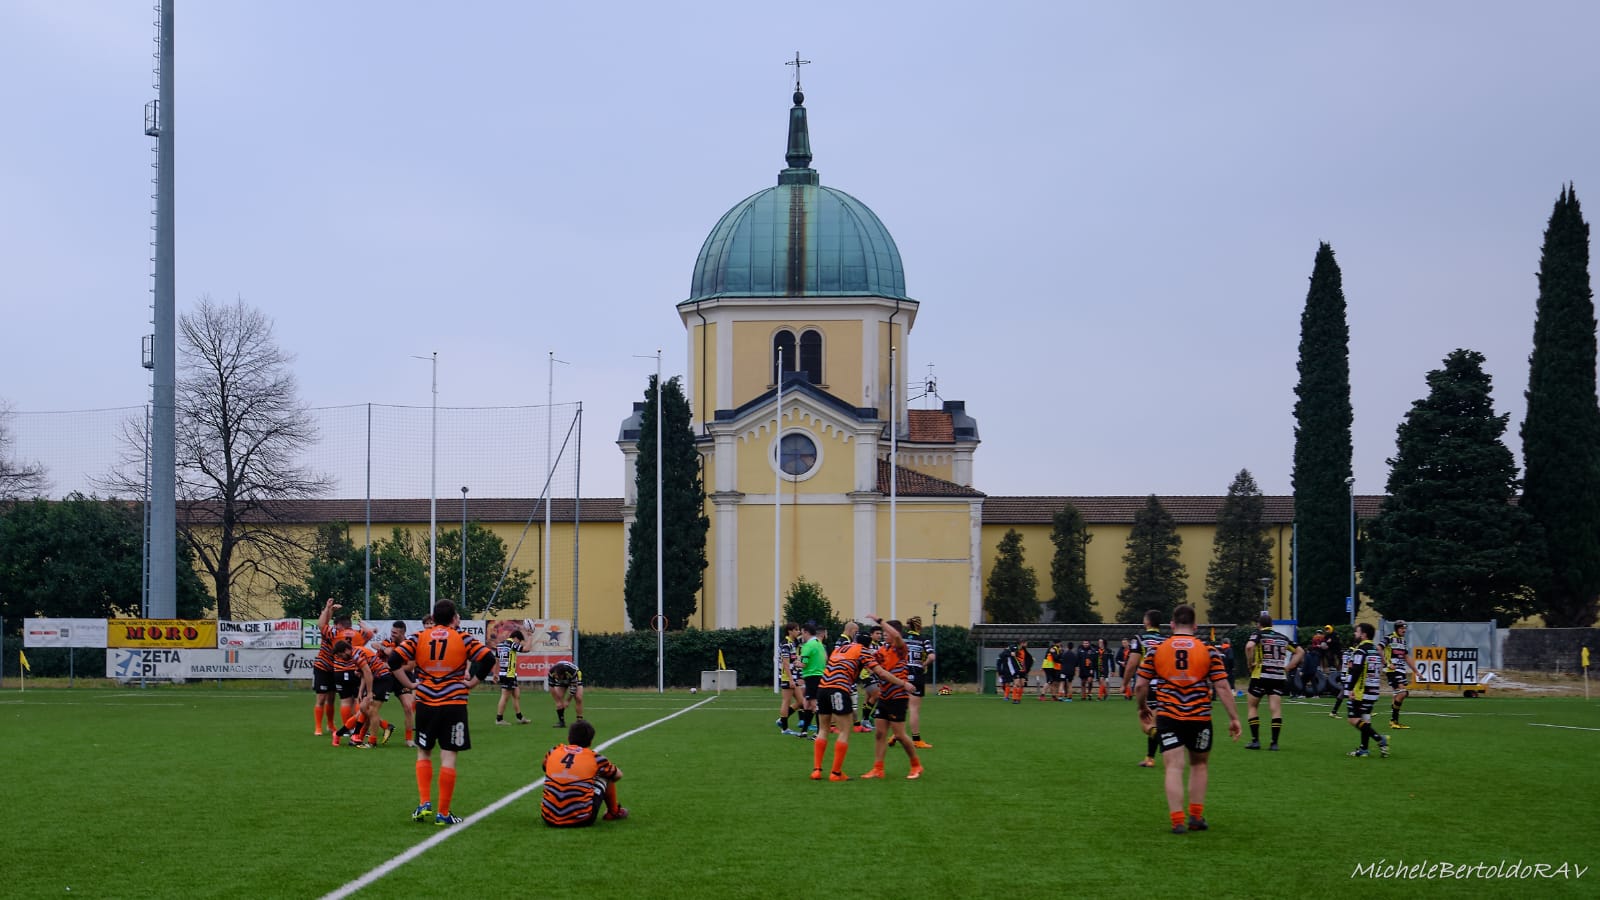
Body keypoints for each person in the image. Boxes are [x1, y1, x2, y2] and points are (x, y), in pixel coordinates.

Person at [1134, 604, 1242, 834]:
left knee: (1173, 767)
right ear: (1195, 625)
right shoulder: (1208, 650)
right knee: (1199, 765)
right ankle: (1195, 817)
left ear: (1172, 625)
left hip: (1168, 715)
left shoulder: (1157, 650)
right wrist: (1234, 718)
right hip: (1199, 716)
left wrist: (1142, 707)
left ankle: (1177, 821)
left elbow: (1141, 684)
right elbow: (1222, 686)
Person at [391, 599, 495, 826]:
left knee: (424, 752)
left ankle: (424, 803)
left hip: (426, 702)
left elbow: (393, 660)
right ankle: (443, 813)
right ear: (454, 618)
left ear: (434, 617)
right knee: (448, 755)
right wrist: (473, 682)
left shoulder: (419, 637)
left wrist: (410, 684)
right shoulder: (463, 637)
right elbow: (488, 658)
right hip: (453, 703)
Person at [859, 619, 925, 780]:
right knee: (880, 733)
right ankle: (878, 768)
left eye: (886, 632)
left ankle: (916, 765)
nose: (884, 635)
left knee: (900, 735)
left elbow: (896, 636)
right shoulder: (883, 649)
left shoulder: (901, 649)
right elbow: (870, 662)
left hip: (898, 696)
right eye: (883, 633)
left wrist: (880, 621)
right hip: (884, 695)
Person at [541, 720, 628, 826]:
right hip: (581, 819)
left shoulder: (553, 751)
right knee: (607, 774)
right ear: (590, 742)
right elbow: (618, 775)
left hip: (548, 817)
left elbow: (545, 767)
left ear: (568, 738)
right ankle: (613, 812)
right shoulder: (595, 758)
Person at [1243, 613, 1304, 751]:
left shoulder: (1258, 634)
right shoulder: (1282, 637)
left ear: (1259, 624)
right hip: (1277, 676)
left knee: (1253, 707)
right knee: (1275, 710)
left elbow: (1249, 647)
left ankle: (1255, 741)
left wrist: (1249, 663)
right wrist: (1289, 667)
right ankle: (1274, 743)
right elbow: (1300, 651)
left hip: (1260, 675)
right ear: (1272, 625)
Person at [1124, 610, 1166, 767]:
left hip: (1147, 685)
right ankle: (1150, 758)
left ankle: (1169, 742)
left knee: (1146, 725)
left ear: (1147, 621)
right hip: (1164, 686)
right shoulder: (1166, 640)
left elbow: (1132, 664)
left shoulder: (1139, 639)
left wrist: (1124, 683)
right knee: (1155, 723)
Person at [1343, 623, 1391, 758]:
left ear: (1363, 635)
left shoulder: (1361, 650)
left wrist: (1350, 688)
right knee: (1365, 719)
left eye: (1357, 632)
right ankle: (1364, 749)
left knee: (1353, 719)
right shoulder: (1375, 650)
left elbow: (1357, 669)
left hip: (1361, 691)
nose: (1355, 634)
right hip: (1373, 690)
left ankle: (1380, 738)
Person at [312, 599, 357, 737]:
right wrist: (328, 609)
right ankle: (318, 727)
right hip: (323, 667)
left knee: (331, 699)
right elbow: (322, 624)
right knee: (321, 698)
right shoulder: (331, 633)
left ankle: (331, 724)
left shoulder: (343, 635)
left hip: (336, 669)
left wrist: (330, 610)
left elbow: (324, 624)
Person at [376, 621, 418, 746]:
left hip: (403, 677)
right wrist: (384, 649)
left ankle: (409, 740)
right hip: (387, 677)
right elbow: (375, 645)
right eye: (391, 632)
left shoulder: (409, 645)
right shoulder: (388, 642)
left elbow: (410, 667)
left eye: (395, 633)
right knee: (370, 707)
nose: (392, 634)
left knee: (408, 707)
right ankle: (382, 727)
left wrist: (391, 666)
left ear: (402, 633)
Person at [902, 616, 935, 747]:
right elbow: (932, 656)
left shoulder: (901, 638)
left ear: (908, 626)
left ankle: (898, 734)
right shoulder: (923, 640)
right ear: (919, 626)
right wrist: (924, 664)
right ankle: (916, 740)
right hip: (916, 674)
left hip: (901, 674)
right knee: (914, 709)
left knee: (902, 706)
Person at [794, 622, 827, 737]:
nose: (801, 635)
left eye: (802, 632)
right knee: (807, 704)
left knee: (814, 704)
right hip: (819, 675)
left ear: (806, 632)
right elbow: (824, 658)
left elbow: (804, 664)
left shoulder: (808, 646)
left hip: (812, 676)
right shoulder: (819, 643)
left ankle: (819, 733)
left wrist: (796, 663)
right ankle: (804, 731)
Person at [495, 629, 531, 725]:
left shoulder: (500, 645)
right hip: (508, 674)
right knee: (505, 697)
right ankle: (499, 719)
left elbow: (497, 660)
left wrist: (495, 673)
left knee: (516, 695)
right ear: (515, 638)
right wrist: (530, 637)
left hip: (505, 673)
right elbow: (526, 649)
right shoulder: (511, 644)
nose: (518, 643)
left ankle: (520, 717)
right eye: (519, 641)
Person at [1381, 620, 1413, 729]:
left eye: (1405, 628)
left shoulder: (1403, 641)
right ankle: (1393, 720)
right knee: (1403, 693)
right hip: (1393, 671)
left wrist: (1416, 671)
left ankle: (1394, 721)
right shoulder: (1389, 638)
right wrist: (1386, 663)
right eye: (1402, 628)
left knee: (1397, 695)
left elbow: (1406, 657)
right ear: (1397, 629)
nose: (1404, 630)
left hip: (1401, 670)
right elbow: (1379, 648)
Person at [776, 622, 805, 735]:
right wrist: (791, 679)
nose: (798, 631)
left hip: (794, 676)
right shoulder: (786, 644)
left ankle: (781, 720)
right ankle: (784, 728)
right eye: (796, 629)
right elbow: (786, 664)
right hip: (787, 677)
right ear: (790, 631)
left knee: (801, 701)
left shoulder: (794, 643)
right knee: (786, 701)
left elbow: (794, 659)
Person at [547, 659, 584, 729]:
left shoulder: (572, 671)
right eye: (556, 676)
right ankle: (561, 722)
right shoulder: (551, 672)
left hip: (574, 678)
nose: (557, 677)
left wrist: (568, 701)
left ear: (563, 674)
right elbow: (551, 687)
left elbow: (573, 687)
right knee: (559, 696)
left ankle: (579, 721)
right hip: (562, 682)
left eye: (559, 676)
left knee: (578, 697)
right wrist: (557, 701)